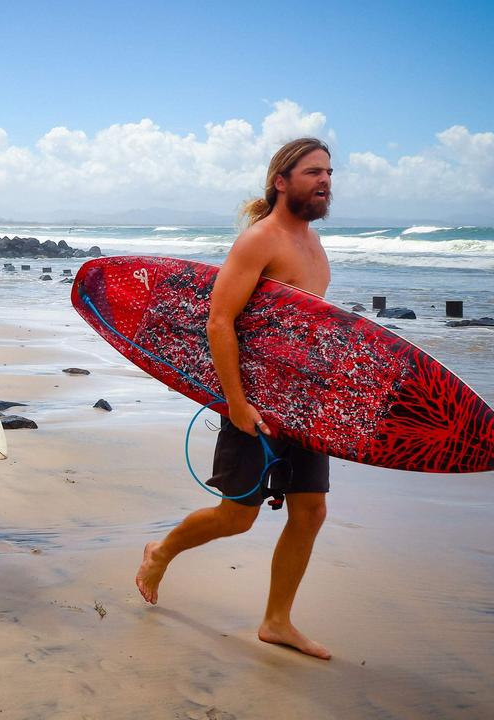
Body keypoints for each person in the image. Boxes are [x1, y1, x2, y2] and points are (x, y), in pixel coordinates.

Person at [135, 137, 336, 660]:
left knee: (311, 512)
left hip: (303, 407)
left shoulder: (315, 246)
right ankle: (162, 551)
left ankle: (277, 621)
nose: (325, 182)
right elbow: (219, 319)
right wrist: (237, 403)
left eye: (329, 173)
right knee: (236, 516)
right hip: (254, 404)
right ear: (281, 180)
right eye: (313, 172)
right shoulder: (259, 241)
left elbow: (307, 331)